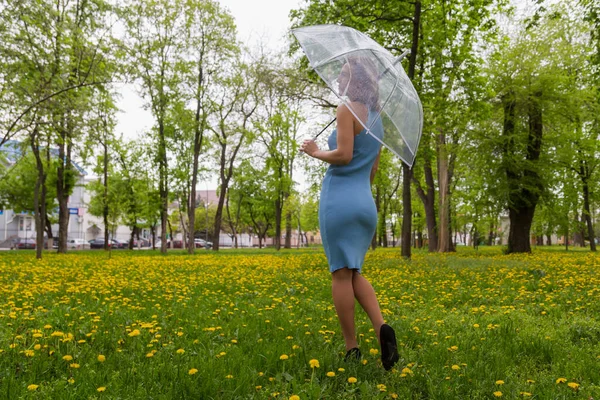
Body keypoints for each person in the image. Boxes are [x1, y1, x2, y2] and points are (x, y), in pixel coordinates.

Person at [300, 56, 400, 371]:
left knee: (340, 274)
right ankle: (382, 327)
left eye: (343, 75)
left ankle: (351, 347)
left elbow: (342, 155)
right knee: (353, 271)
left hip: (339, 200)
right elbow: (371, 171)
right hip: (364, 203)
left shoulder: (346, 109)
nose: (339, 80)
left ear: (355, 80)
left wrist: (315, 151)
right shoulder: (378, 121)